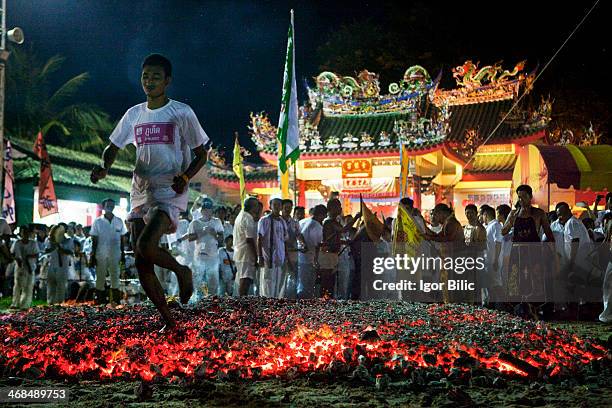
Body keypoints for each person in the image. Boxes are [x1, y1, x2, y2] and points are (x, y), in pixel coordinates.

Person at [90, 53, 209, 331]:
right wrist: (103, 167)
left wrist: (185, 176)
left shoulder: (181, 112)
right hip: (140, 191)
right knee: (142, 262)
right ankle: (170, 322)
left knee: (146, 245)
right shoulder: (134, 114)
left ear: (167, 81)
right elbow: (113, 146)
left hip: (169, 189)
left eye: (156, 76)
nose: (149, 81)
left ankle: (182, 271)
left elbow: (201, 154)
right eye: (145, 76)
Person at [501, 185, 554, 316]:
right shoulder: (513, 213)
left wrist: (552, 252)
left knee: (534, 278)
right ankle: (518, 310)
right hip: (517, 251)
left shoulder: (539, 213)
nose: (521, 199)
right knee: (516, 280)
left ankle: (534, 309)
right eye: (519, 197)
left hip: (534, 251)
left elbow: (549, 234)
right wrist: (510, 221)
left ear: (530, 197)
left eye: (524, 196)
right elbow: (503, 232)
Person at [318, 199, 359, 298]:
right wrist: (356, 218)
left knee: (331, 283)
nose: (340, 208)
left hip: (333, 255)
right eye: (338, 206)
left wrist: (345, 242)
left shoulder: (335, 221)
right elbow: (344, 230)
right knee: (327, 283)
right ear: (331, 208)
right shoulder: (329, 222)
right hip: (327, 255)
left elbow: (336, 237)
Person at [185, 197, 224, 300]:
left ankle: (212, 304)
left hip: (213, 258)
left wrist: (214, 234)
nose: (207, 211)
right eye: (205, 209)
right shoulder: (195, 223)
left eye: (209, 209)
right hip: (199, 257)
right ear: (201, 210)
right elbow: (190, 238)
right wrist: (201, 232)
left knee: (213, 284)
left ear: (212, 210)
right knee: (198, 284)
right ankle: (198, 303)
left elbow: (221, 239)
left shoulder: (217, 222)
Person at [89, 198, 127, 305]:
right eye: (108, 205)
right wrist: (92, 256)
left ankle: (115, 301)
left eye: (112, 205)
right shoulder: (97, 222)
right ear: (103, 206)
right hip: (101, 254)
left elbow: (122, 239)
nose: (110, 207)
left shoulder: (119, 221)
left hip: (115, 254)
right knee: (100, 277)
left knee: (115, 276)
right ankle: (100, 301)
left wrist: (123, 254)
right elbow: (94, 240)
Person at [257, 198, 288, 298]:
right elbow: (259, 239)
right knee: (267, 283)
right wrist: (260, 256)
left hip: (280, 257)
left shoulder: (282, 221)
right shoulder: (264, 220)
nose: (277, 207)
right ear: (270, 206)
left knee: (278, 283)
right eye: (275, 204)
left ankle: (276, 305)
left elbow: (284, 240)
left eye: (279, 205)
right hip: (268, 257)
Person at [297, 204, 326, 299]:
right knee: (308, 286)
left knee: (301, 283)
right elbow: (317, 245)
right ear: (321, 215)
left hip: (300, 257)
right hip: (310, 259)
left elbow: (298, 235)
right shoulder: (317, 226)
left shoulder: (302, 222)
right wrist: (316, 260)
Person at [233, 197, 260, 296]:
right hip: (246, 254)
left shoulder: (240, 215)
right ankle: (241, 304)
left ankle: (240, 302)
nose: (258, 208)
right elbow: (249, 240)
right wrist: (256, 256)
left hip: (240, 253)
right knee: (245, 279)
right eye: (257, 205)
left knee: (243, 278)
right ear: (253, 207)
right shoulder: (248, 217)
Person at [10, 226, 40, 309]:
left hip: (30, 267)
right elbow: (12, 253)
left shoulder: (33, 243)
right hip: (19, 267)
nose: (25, 234)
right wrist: (17, 259)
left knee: (28, 286)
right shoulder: (17, 243)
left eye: (26, 232)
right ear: (20, 233)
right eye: (23, 232)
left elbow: (37, 254)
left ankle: (25, 304)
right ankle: (15, 303)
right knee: (17, 285)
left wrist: (28, 257)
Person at [45, 223, 75, 305]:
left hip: (62, 266)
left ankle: (59, 304)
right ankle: (50, 303)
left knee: (61, 286)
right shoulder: (49, 240)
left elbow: (69, 251)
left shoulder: (68, 240)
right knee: (51, 285)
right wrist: (54, 242)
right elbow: (47, 250)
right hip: (51, 265)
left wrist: (60, 246)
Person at [480, 205, 503, 305]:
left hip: (493, 261)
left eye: (481, 215)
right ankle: (492, 304)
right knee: (490, 284)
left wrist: (495, 259)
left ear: (485, 214)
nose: (480, 217)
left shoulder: (496, 225)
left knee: (496, 284)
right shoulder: (488, 226)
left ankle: (501, 305)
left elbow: (498, 242)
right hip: (488, 261)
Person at [280, 199, 300, 299]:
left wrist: (304, 244)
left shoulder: (294, 223)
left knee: (292, 276)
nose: (288, 210)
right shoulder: (278, 222)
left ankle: (290, 299)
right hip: (281, 254)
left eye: (289, 208)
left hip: (293, 253)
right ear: (281, 208)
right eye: (286, 208)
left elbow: (299, 235)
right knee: (281, 277)